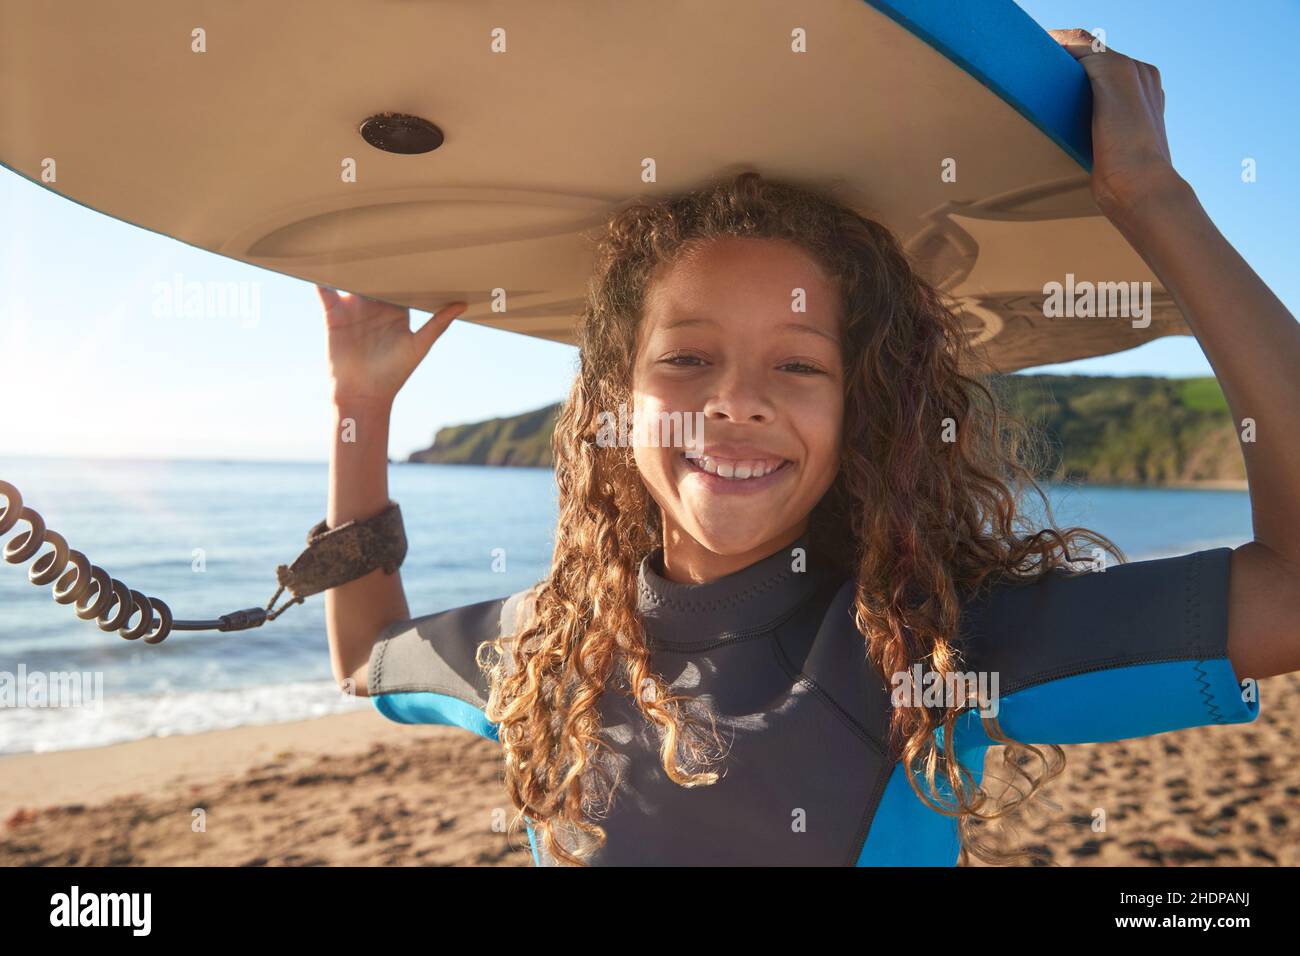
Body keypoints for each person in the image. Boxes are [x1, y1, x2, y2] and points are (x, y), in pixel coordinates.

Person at [319, 30, 1300, 866]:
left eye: (796, 366)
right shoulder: (548, 645)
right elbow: (366, 655)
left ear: (859, 413)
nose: (736, 398)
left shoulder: (932, 649)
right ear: (617, 399)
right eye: (689, 355)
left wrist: (1153, 200)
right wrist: (360, 407)